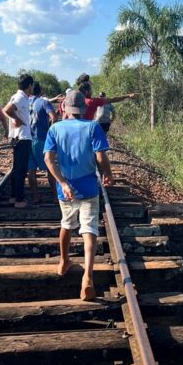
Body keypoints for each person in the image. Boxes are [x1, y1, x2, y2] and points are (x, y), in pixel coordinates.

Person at [44, 90, 113, 301]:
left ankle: (64, 262)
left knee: (66, 224)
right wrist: (107, 173)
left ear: (64, 108)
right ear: (83, 109)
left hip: (66, 188)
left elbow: (48, 159)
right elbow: (101, 156)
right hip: (89, 186)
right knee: (89, 229)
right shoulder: (92, 126)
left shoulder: (55, 128)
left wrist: (62, 182)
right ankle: (87, 277)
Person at [3, 73, 35, 209]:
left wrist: (16, 118)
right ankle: (19, 200)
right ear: (30, 85)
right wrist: (17, 119)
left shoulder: (18, 96)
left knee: (17, 169)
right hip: (22, 137)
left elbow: (7, 109)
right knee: (21, 170)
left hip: (18, 137)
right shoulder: (21, 97)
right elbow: (7, 109)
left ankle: (14, 197)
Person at [28, 82, 59, 203]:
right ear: (40, 91)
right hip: (41, 138)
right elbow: (54, 117)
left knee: (31, 170)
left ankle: (35, 197)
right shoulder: (44, 102)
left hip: (27, 139)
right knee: (50, 167)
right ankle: (56, 196)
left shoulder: (26, 102)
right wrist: (50, 131)